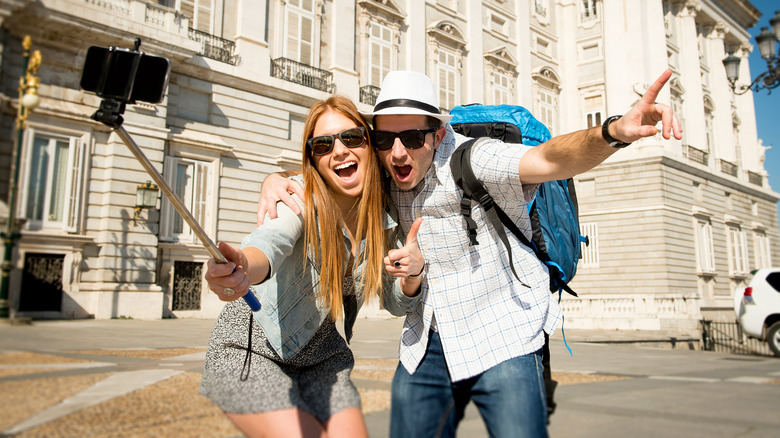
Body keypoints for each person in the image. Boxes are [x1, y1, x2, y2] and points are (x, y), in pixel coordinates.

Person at [257, 70, 682, 437]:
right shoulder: (387, 171)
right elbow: (334, 174)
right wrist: (276, 179)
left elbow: (548, 159)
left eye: (412, 136)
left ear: (438, 133)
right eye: (385, 139)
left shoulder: (476, 159)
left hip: (504, 332)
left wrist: (611, 132)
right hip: (428, 341)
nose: (398, 151)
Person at [199, 95, 425, 438]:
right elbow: (270, 242)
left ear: (370, 145)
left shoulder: (386, 218)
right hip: (252, 347)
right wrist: (243, 266)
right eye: (323, 145)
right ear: (314, 161)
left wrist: (412, 276)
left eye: (351, 138)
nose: (339, 151)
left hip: (323, 356)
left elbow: (395, 303)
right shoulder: (299, 199)